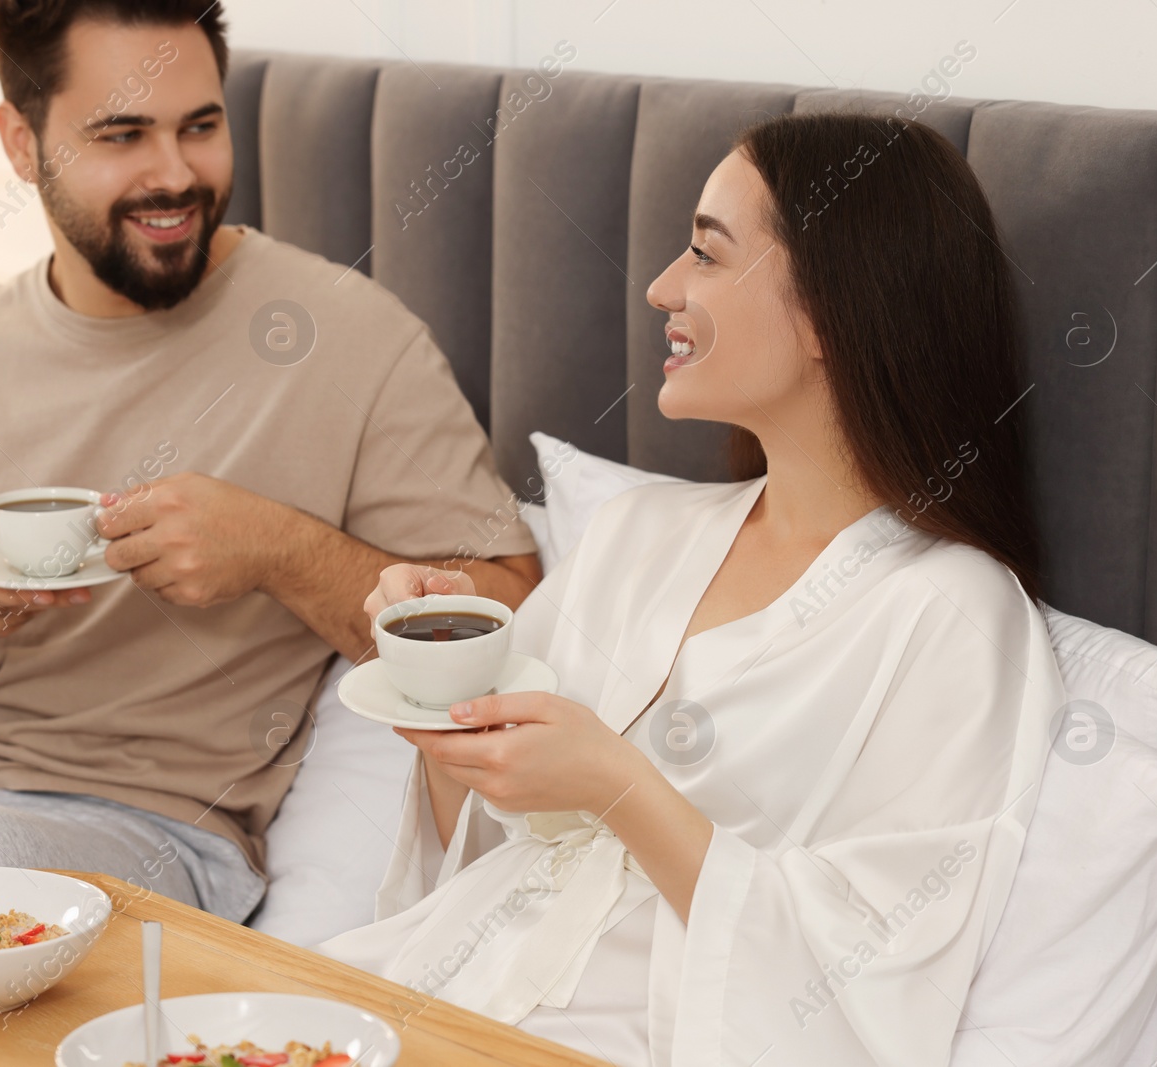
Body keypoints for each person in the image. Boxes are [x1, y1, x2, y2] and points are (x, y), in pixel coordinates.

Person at [0, 0, 538, 1031]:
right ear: (19, 140)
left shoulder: (352, 337)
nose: (174, 173)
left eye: (200, 125)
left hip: (139, 832)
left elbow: (507, 614)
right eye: (121, 135)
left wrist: (274, 546)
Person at [320, 113, 1067, 1066]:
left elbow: (871, 983)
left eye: (707, 257)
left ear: (830, 312)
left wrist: (623, 788)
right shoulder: (637, 535)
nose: (662, 287)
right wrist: (438, 690)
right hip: (421, 992)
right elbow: (469, 855)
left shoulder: (953, 615)